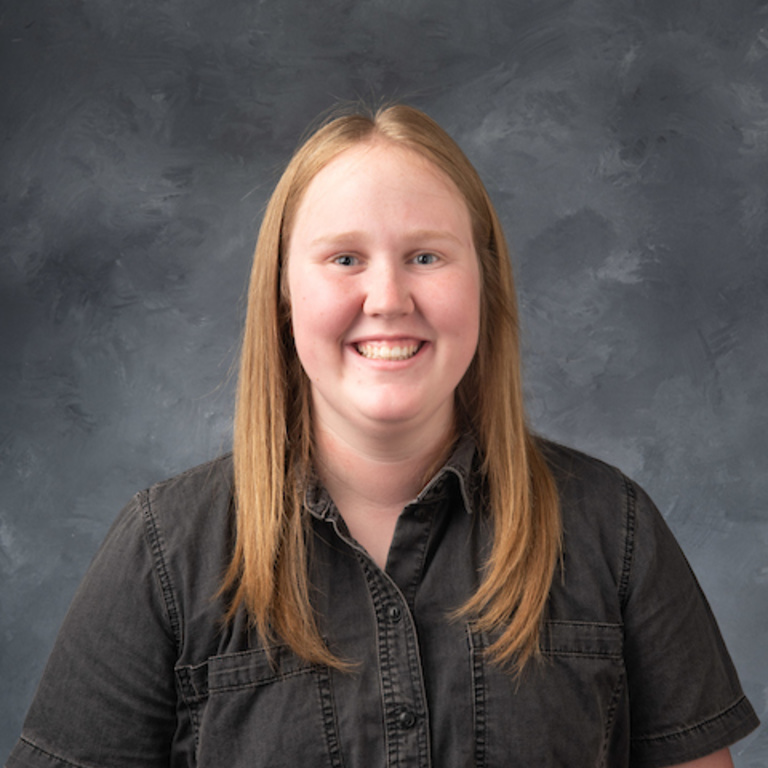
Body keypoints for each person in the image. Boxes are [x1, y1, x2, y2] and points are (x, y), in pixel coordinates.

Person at [7, 104, 759, 768]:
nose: (389, 298)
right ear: (283, 293)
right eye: (344, 259)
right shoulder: (162, 553)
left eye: (426, 256)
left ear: (484, 283)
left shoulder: (613, 530)